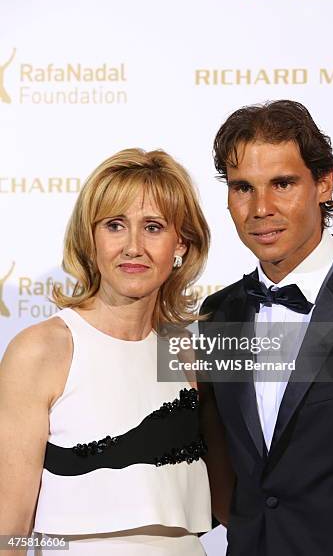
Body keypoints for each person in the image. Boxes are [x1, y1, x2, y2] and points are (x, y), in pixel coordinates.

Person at [200, 100, 333, 555]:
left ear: (324, 183)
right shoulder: (217, 317)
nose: (261, 208)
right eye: (242, 188)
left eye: (282, 183)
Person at [0, 148, 228, 555]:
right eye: (115, 225)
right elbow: (8, 529)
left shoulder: (186, 353)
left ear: (183, 245)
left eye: (153, 227)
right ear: (90, 239)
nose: (133, 247)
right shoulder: (44, 351)